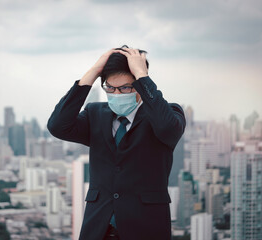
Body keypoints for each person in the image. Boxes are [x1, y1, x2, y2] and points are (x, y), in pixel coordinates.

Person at [47, 45, 186, 240]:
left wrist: (142, 75)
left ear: (138, 85)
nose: (117, 94)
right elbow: (58, 126)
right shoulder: (95, 114)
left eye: (125, 88)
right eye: (110, 88)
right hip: (98, 228)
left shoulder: (166, 115)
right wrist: (94, 71)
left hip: (146, 228)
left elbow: (168, 129)